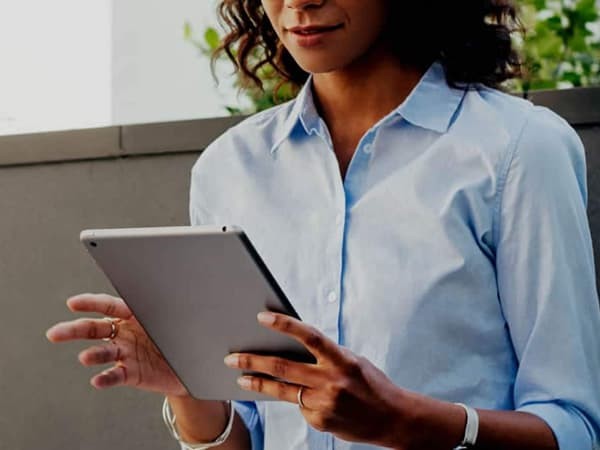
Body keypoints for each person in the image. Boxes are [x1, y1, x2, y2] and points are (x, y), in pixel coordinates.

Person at [46, 0, 600, 449]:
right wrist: (189, 387)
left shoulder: (519, 151)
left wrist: (405, 422)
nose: (300, 3)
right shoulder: (229, 169)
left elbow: (574, 427)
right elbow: (250, 436)